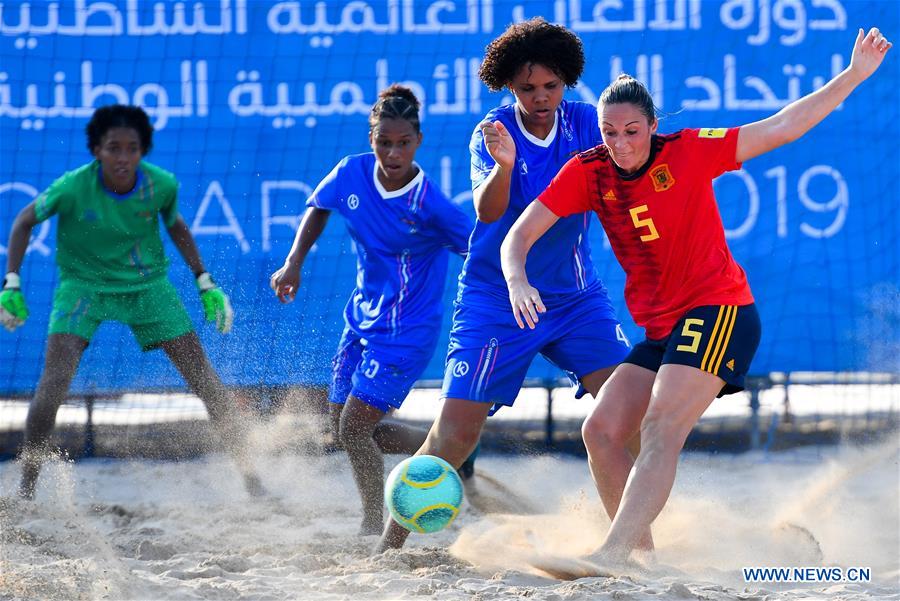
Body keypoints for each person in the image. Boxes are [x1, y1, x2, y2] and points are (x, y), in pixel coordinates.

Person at [500, 28, 892, 568]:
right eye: (610, 132)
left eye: (632, 131)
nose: (620, 143)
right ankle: (643, 560)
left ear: (653, 126)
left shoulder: (688, 152)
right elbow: (518, 236)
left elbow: (781, 126)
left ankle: (613, 551)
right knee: (601, 431)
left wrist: (853, 75)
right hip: (663, 330)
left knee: (660, 425)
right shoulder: (589, 171)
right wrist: (517, 278)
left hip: (721, 311)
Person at [376, 17, 631, 552]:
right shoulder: (493, 132)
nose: (540, 97)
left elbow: (633, 164)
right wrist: (506, 166)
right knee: (453, 437)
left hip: (575, 298)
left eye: (550, 86)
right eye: (527, 88)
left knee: (627, 412)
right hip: (496, 297)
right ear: (508, 87)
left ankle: (633, 539)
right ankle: (389, 544)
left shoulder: (589, 123)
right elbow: (488, 211)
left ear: (568, 81)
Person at [0, 104, 264, 500]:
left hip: (147, 287)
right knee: (53, 384)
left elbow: (174, 224)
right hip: (84, 286)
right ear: (96, 149)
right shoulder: (72, 187)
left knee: (207, 383)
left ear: (142, 150)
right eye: (113, 148)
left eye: (132, 148)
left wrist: (204, 281)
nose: (123, 158)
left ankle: (253, 481)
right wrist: (12, 282)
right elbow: (23, 221)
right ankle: (26, 489)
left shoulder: (161, 185)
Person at [270, 85, 473, 535]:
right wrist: (293, 263)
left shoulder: (431, 204)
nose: (393, 152)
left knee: (354, 429)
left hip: (408, 333)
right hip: (360, 319)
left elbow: (478, 251)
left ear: (418, 141)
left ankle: (370, 522)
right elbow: (320, 207)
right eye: (384, 142)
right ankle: (445, 448)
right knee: (342, 426)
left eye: (403, 143)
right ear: (372, 140)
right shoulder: (352, 173)